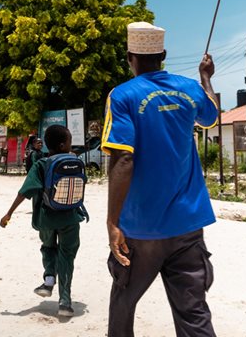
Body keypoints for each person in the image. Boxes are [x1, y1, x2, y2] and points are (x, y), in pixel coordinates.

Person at [102, 21, 219, 336]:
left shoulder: (122, 96)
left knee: (124, 302)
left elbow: (123, 157)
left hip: (142, 227)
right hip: (189, 224)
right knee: (193, 314)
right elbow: (210, 116)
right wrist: (206, 78)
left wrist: (113, 223)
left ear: (130, 57)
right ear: (163, 54)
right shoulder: (189, 88)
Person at [0, 125, 87, 317]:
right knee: (67, 256)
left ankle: (49, 280)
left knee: (48, 247)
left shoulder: (42, 164)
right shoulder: (75, 161)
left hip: (47, 218)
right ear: (64, 144)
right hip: (71, 217)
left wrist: (9, 213)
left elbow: (25, 192)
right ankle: (65, 301)